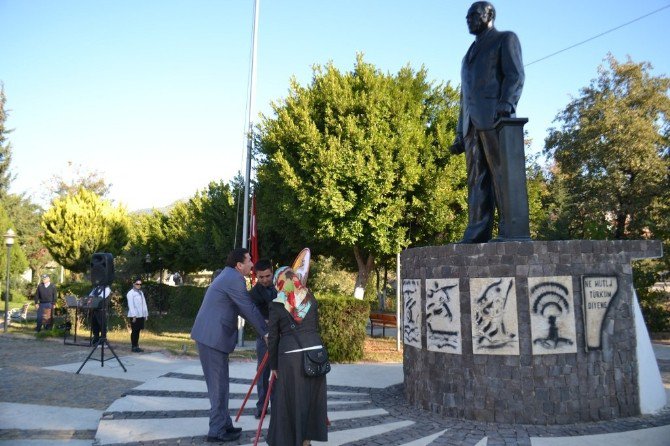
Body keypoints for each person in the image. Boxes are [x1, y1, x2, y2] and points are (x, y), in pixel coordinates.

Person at [450, 1, 524, 243]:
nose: (469, 19)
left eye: (474, 15)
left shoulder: (505, 38)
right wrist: (460, 132)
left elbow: (515, 74)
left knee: (501, 175)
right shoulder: (466, 56)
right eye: (466, 17)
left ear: (489, 14)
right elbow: (464, 97)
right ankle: (477, 231)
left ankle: (509, 231)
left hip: (495, 117)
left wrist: (507, 103)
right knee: (476, 179)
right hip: (472, 124)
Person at [191, 248, 268, 443]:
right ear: (239, 265)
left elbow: (242, 308)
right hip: (212, 337)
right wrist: (265, 332)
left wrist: (263, 325)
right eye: (249, 261)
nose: (252, 264)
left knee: (222, 384)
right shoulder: (234, 279)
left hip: (213, 337)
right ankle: (216, 431)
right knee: (218, 386)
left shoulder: (229, 276)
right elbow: (247, 308)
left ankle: (224, 425)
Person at [267, 267, 328, 446]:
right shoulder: (311, 298)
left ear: (279, 282)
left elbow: (273, 338)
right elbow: (313, 327)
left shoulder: (277, 304)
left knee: (290, 401)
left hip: (290, 359)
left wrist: (273, 366)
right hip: (316, 355)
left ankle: (290, 441)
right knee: (312, 401)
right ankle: (306, 441)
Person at [249, 259, 277, 419]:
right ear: (256, 276)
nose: (265, 279)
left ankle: (277, 405)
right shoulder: (253, 294)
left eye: (268, 275)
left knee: (279, 373)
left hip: (282, 337)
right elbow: (259, 319)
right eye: (261, 277)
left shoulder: (281, 287)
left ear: (272, 272)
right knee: (263, 372)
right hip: (264, 338)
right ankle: (262, 406)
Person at [127, 278, 149, 352]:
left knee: (138, 330)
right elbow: (131, 305)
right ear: (134, 284)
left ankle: (137, 346)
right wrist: (133, 316)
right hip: (135, 316)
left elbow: (144, 304)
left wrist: (145, 314)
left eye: (140, 284)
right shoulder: (130, 293)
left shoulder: (141, 292)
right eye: (137, 284)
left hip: (141, 315)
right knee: (134, 331)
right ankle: (133, 346)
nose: (139, 285)